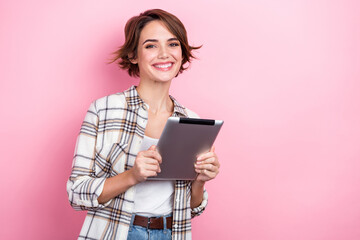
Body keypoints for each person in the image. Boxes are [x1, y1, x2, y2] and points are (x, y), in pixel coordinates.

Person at [67, 9, 220, 240]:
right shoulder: (104, 110)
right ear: (133, 55)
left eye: (173, 44)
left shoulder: (192, 120)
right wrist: (132, 176)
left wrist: (199, 181)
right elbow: (76, 193)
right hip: (117, 232)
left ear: (182, 53)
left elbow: (193, 207)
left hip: (171, 233)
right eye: (150, 45)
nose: (164, 54)